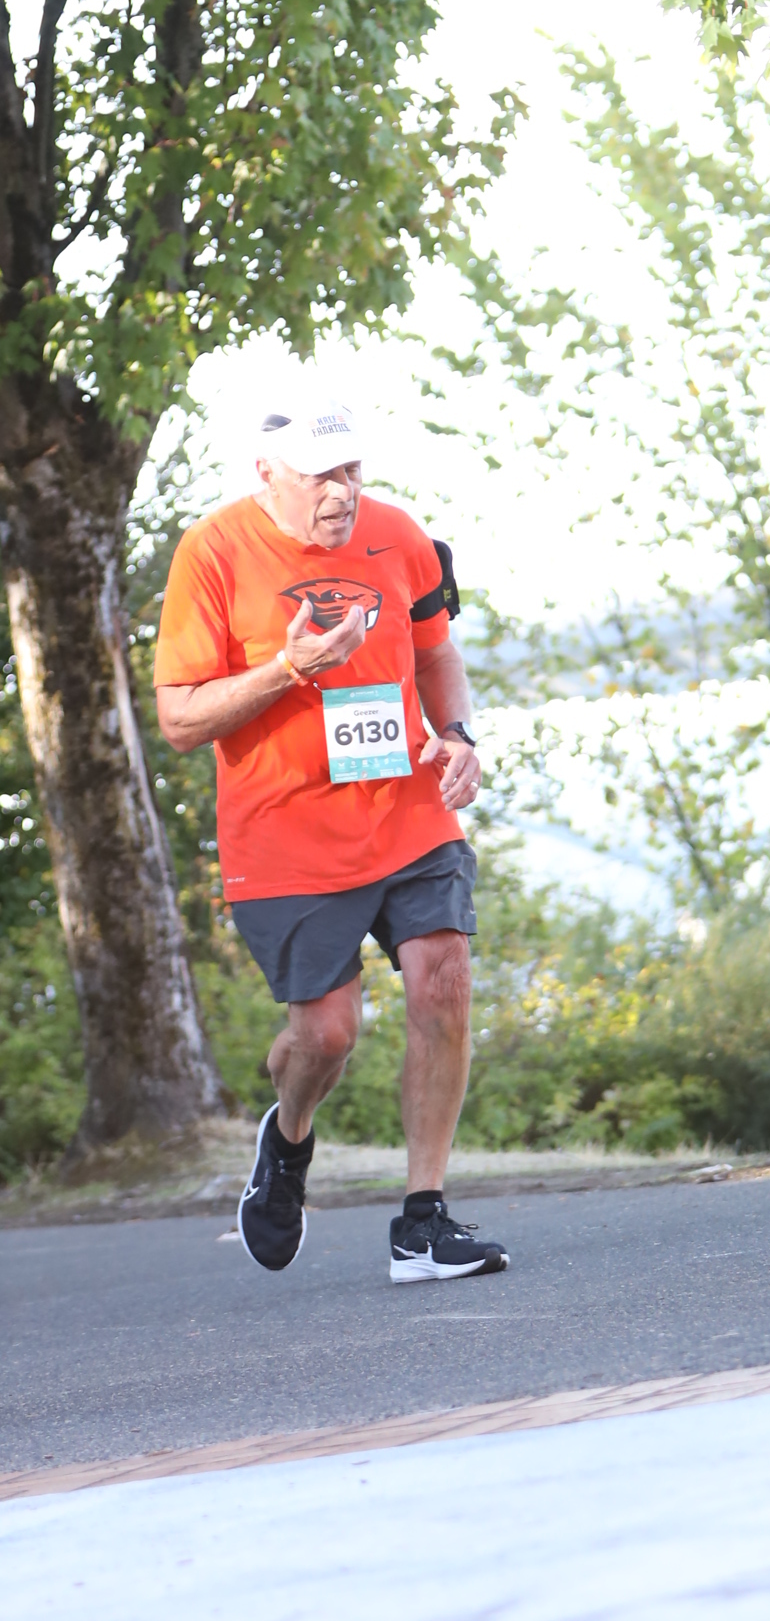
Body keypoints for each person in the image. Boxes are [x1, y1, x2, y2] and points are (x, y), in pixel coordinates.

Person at [152, 396, 509, 1283]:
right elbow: (181, 719)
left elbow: (435, 652)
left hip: (407, 809)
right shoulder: (213, 551)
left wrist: (457, 734)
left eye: (352, 470)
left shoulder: (399, 535)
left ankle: (423, 1223)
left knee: (444, 978)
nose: (342, 491)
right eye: (320, 476)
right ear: (267, 475)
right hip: (285, 834)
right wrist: (286, 668)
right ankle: (289, 1137)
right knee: (327, 1036)